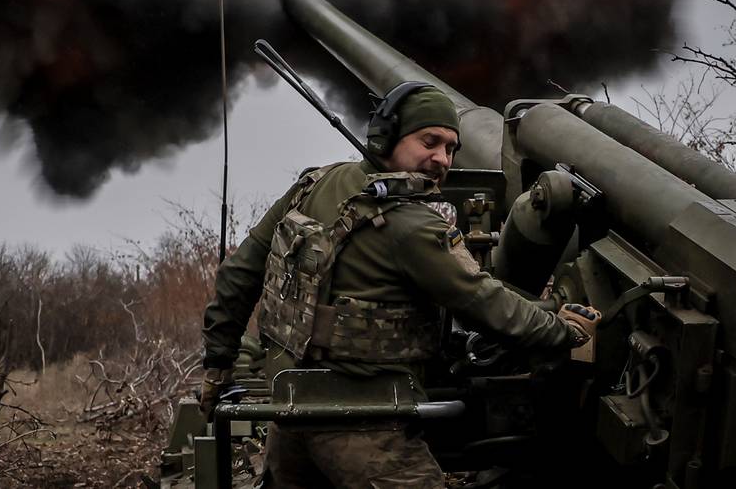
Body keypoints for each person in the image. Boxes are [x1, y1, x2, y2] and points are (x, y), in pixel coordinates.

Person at [200, 82, 599, 488]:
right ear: (386, 137)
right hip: (366, 428)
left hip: (290, 412)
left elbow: (239, 273)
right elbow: (484, 304)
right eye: (430, 141)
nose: (441, 159)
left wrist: (217, 364)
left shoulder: (314, 184)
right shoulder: (412, 226)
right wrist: (562, 328)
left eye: (450, 148)